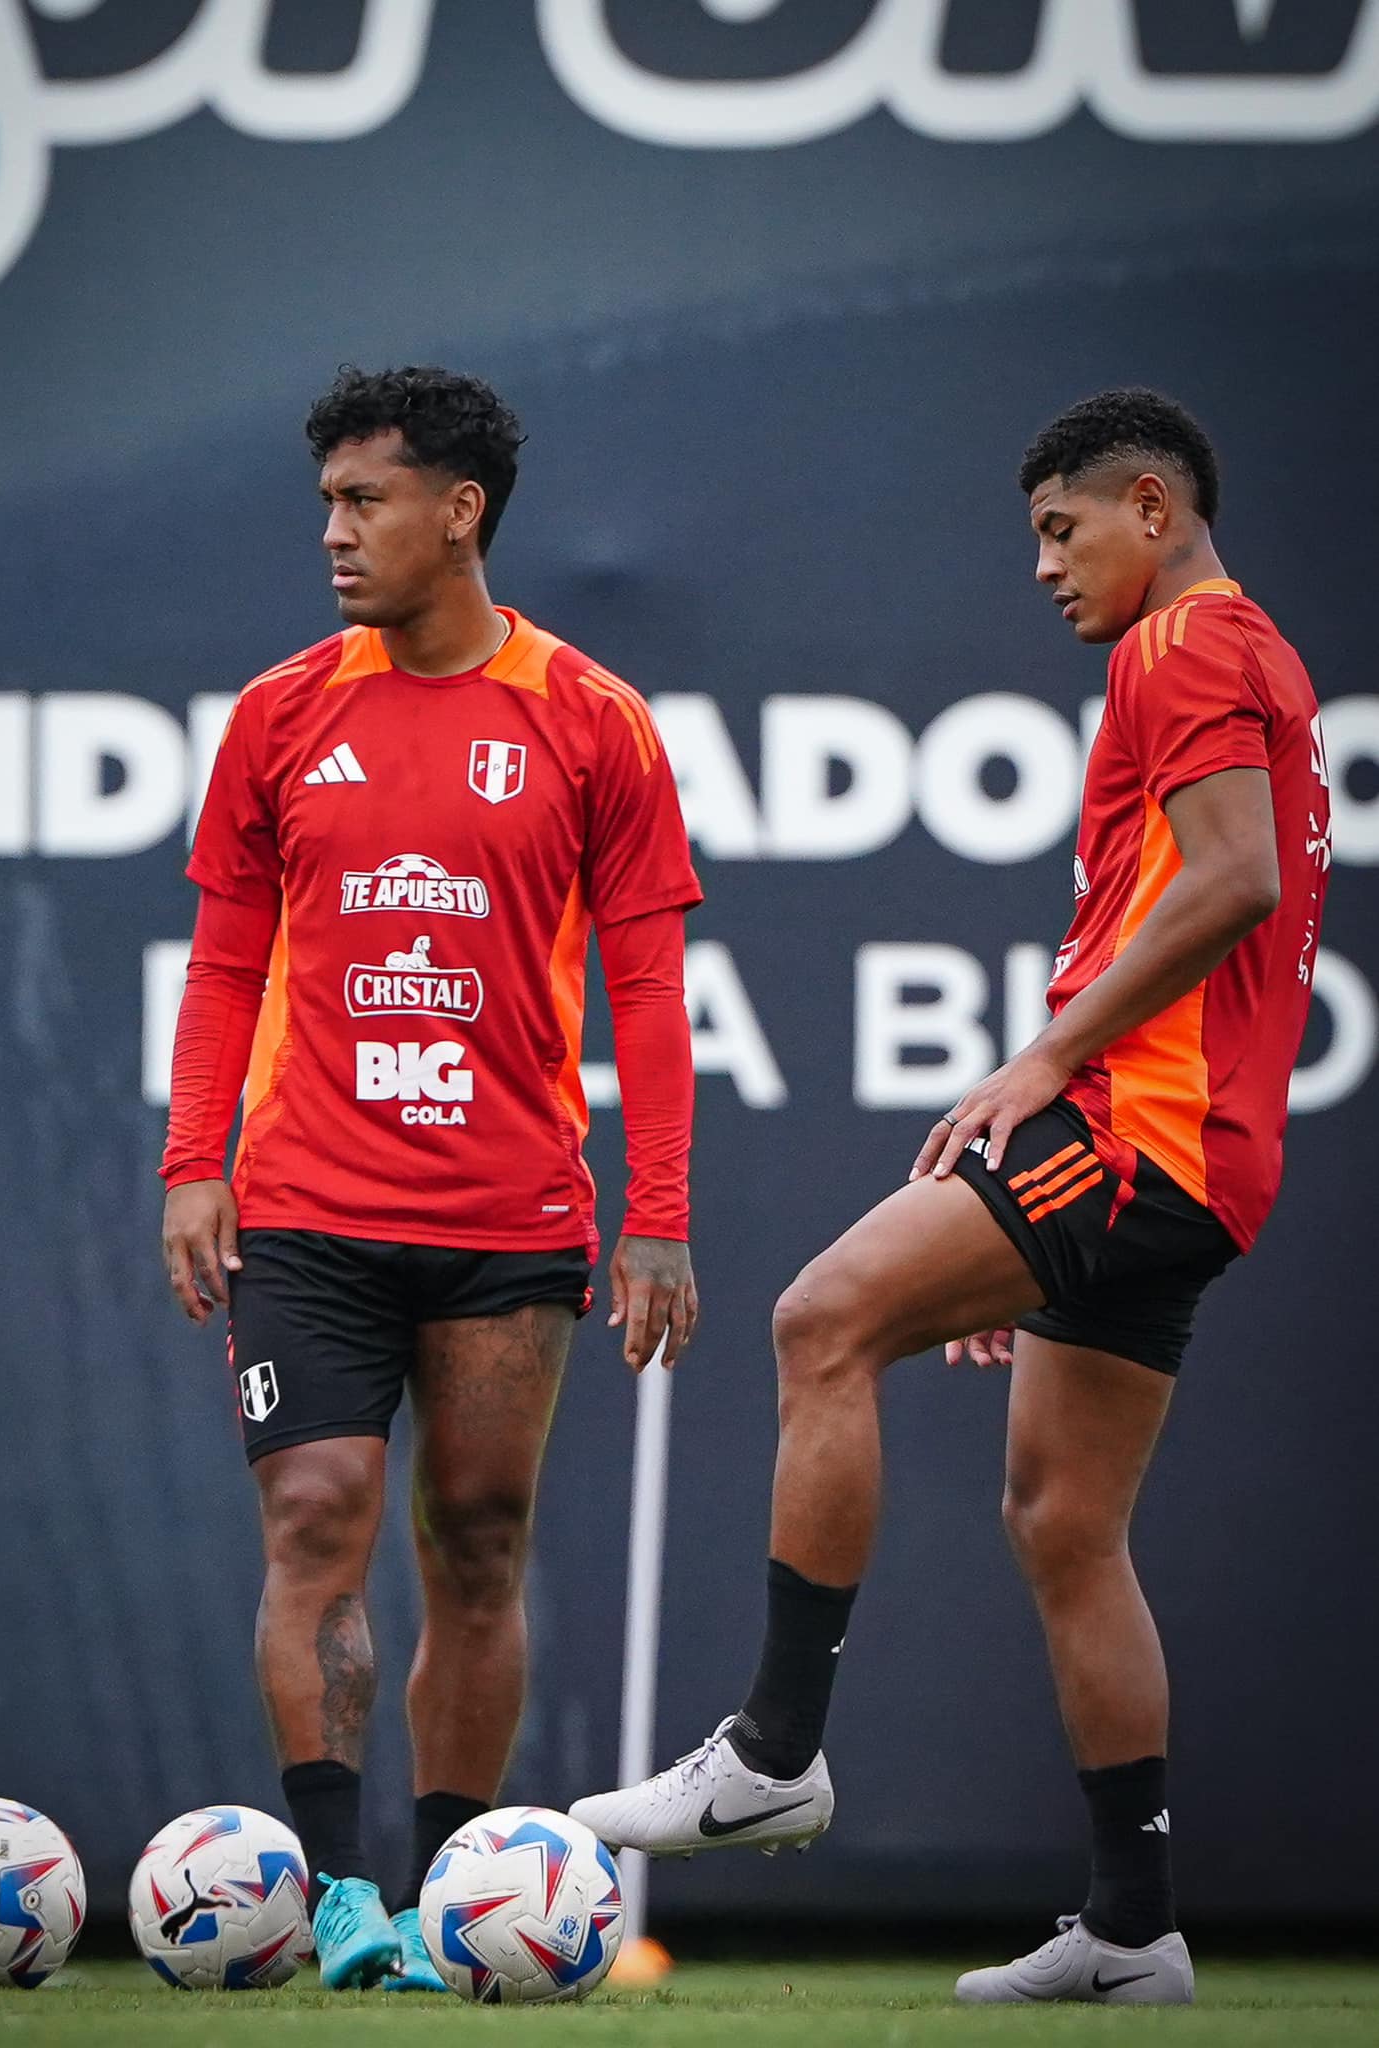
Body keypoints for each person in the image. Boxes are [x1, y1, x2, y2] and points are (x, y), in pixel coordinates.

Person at [570, 389, 1329, 2006]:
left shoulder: (1186, 642)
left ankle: (772, 1752)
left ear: (1148, 506)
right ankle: (1132, 1927)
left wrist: (1043, 1060)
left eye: (1061, 530)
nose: (1043, 567)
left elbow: (1233, 877)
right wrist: (1017, 1253)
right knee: (1063, 1520)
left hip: (1139, 1128)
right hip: (1208, 1158)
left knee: (822, 1319)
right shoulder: (1248, 649)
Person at [159, 366, 701, 1991]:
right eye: (325, 502)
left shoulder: (590, 718)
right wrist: (193, 1164)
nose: (332, 532)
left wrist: (659, 1214)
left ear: (459, 513)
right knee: (315, 1517)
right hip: (306, 1207)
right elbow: (223, 962)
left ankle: (447, 1901)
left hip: (506, 1216)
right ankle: (339, 1899)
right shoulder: (279, 715)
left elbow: (648, 987)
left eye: (364, 500)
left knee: (474, 1543)